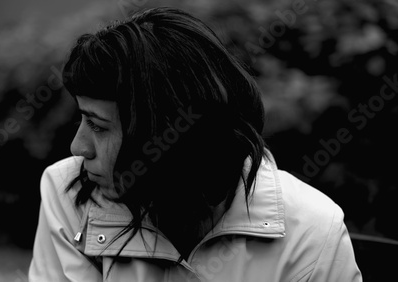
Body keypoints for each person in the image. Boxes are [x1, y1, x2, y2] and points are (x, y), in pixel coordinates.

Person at [29, 7, 362, 282]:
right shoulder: (70, 194)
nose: (78, 147)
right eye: (82, 119)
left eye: (98, 127)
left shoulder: (311, 233)